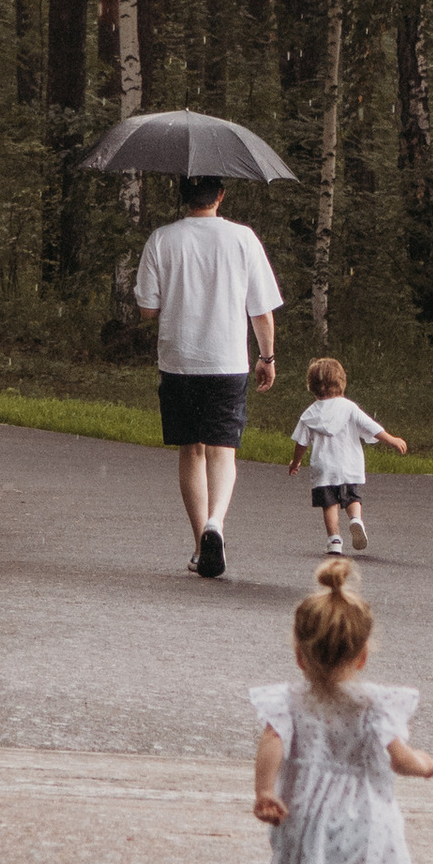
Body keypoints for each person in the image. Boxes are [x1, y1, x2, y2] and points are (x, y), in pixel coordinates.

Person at [251, 559, 433, 864]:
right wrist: (423, 763)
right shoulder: (374, 705)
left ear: (299, 654)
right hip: (362, 822)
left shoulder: (289, 701)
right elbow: (397, 758)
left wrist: (265, 792)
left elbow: (272, 743)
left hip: (301, 817)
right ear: (362, 656)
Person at [131, 173, 283, 580]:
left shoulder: (162, 239)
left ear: (182, 196)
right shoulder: (243, 239)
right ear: (220, 195)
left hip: (180, 360)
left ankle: (200, 545)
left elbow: (147, 309)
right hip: (228, 359)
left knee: (191, 450)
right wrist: (267, 356)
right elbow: (262, 310)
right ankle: (217, 522)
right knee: (222, 450)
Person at [290, 355, 407, 556]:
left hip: (324, 467)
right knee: (352, 497)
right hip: (349, 463)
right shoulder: (349, 407)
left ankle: (334, 540)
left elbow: (301, 443)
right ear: (341, 382)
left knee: (329, 504)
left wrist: (296, 461)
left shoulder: (309, 414)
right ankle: (355, 520)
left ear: (312, 385)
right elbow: (371, 427)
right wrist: (391, 439)